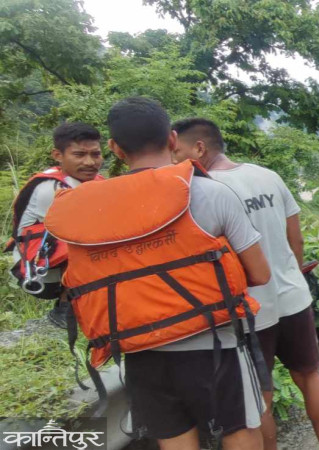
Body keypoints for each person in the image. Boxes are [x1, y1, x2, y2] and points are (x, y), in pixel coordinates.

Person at [46, 97, 271, 449]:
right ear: (171, 139)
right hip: (215, 343)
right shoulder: (211, 192)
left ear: (115, 149)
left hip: (140, 353)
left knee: (174, 441)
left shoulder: (86, 211)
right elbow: (259, 274)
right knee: (239, 431)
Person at [170, 118, 319, 450]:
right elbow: (296, 240)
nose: (174, 160)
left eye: (177, 151)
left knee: (260, 397)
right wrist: (292, 275)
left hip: (250, 309)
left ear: (199, 148)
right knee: (309, 376)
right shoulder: (268, 176)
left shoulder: (199, 188)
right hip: (292, 294)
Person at [6, 122, 104, 328]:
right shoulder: (51, 188)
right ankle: (66, 308)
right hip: (36, 270)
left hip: (53, 260)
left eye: (95, 154)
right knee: (91, 241)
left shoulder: (94, 181)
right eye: (79, 155)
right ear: (58, 155)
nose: (90, 162)